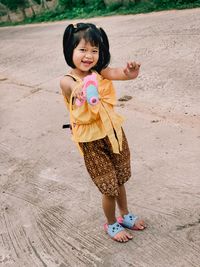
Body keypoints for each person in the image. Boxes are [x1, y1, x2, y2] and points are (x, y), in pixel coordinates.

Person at [60, 22, 146, 243]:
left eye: (94, 50)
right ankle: (111, 223)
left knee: (120, 180)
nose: (89, 56)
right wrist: (80, 91)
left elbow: (118, 72)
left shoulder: (100, 71)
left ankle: (125, 215)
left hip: (113, 133)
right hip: (91, 141)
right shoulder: (67, 80)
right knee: (109, 187)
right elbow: (71, 89)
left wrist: (130, 73)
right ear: (70, 51)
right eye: (82, 49)